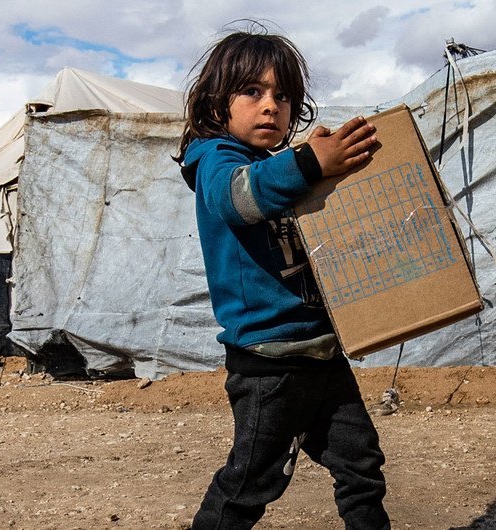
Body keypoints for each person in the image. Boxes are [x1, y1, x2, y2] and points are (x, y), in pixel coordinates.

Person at [174, 29, 390, 530]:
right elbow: (240, 198)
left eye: (283, 96)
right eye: (252, 92)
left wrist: (311, 166)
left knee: (361, 467)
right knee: (251, 485)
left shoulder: (274, 168)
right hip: (269, 365)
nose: (270, 106)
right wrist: (310, 162)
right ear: (217, 102)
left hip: (321, 353)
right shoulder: (215, 159)